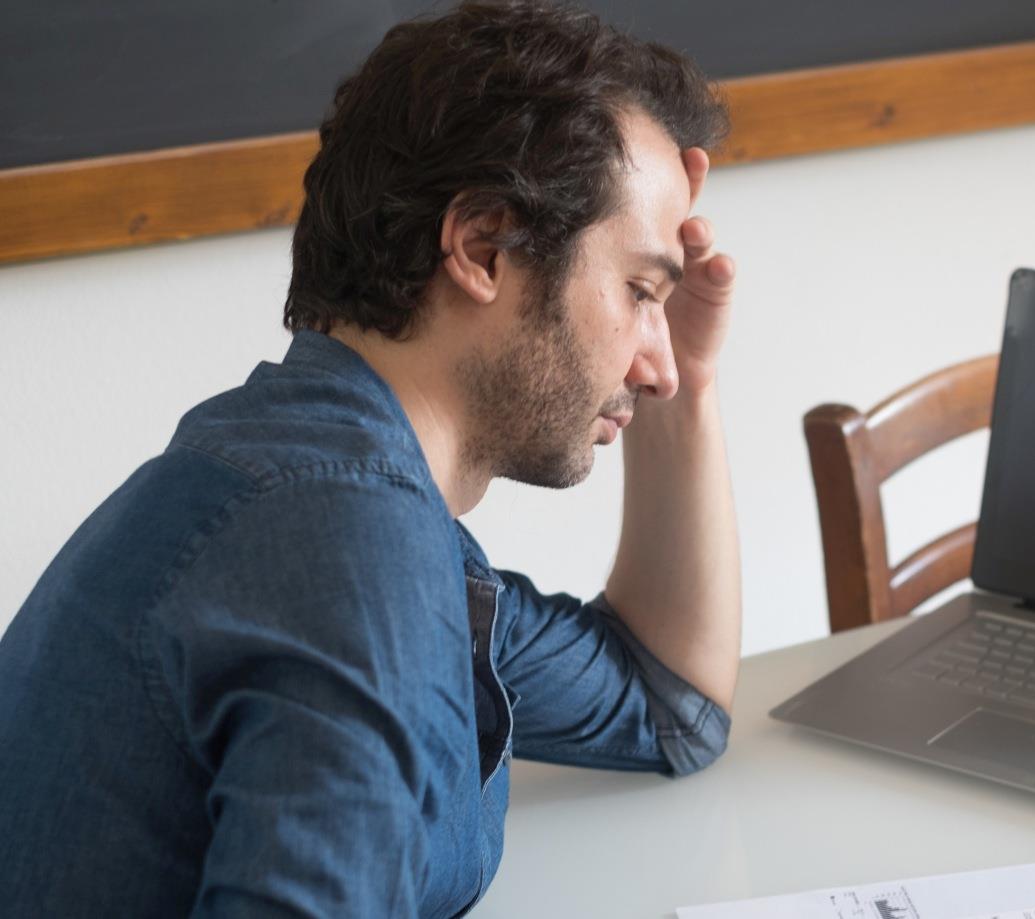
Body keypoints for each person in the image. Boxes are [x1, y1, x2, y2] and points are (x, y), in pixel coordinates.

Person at [0, 2, 741, 914]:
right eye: (637, 291)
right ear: (484, 248)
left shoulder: (319, 480)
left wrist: (690, 388)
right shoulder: (343, 553)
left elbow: (669, 707)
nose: (656, 367)